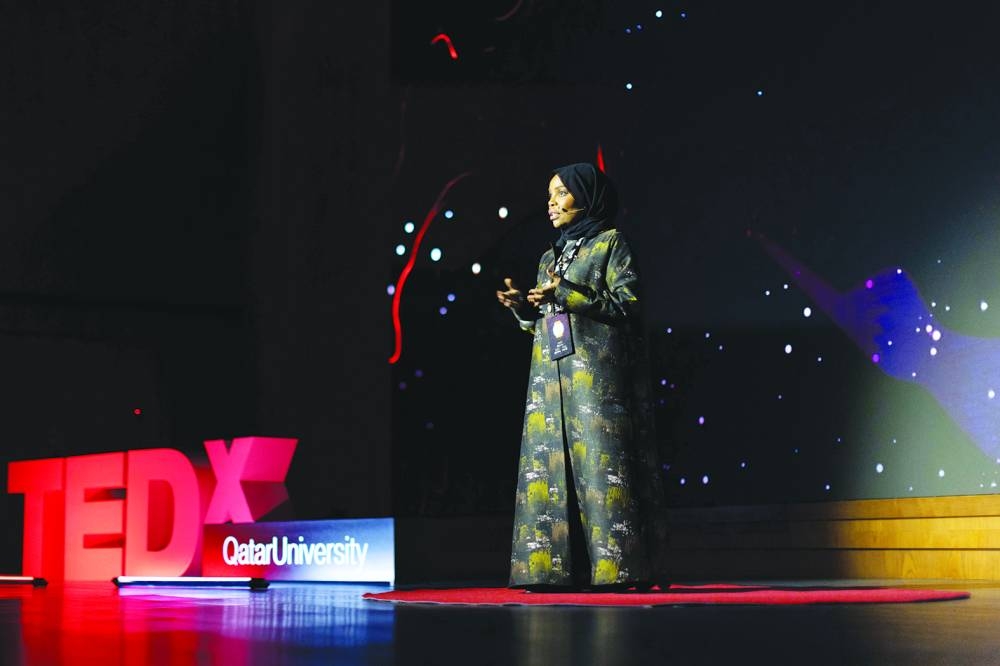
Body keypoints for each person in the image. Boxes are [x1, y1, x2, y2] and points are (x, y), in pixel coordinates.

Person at [497, 162, 668, 590]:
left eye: (561, 193)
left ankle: (618, 571)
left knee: (600, 470)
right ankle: (550, 571)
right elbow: (542, 321)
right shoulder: (549, 256)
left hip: (595, 382)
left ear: (586, 196)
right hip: (550, 383)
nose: (551, 202)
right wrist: (523, 307)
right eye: (549, 194)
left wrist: (567, 293)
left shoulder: (610, 244)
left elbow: (627, 304)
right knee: (548, 473)